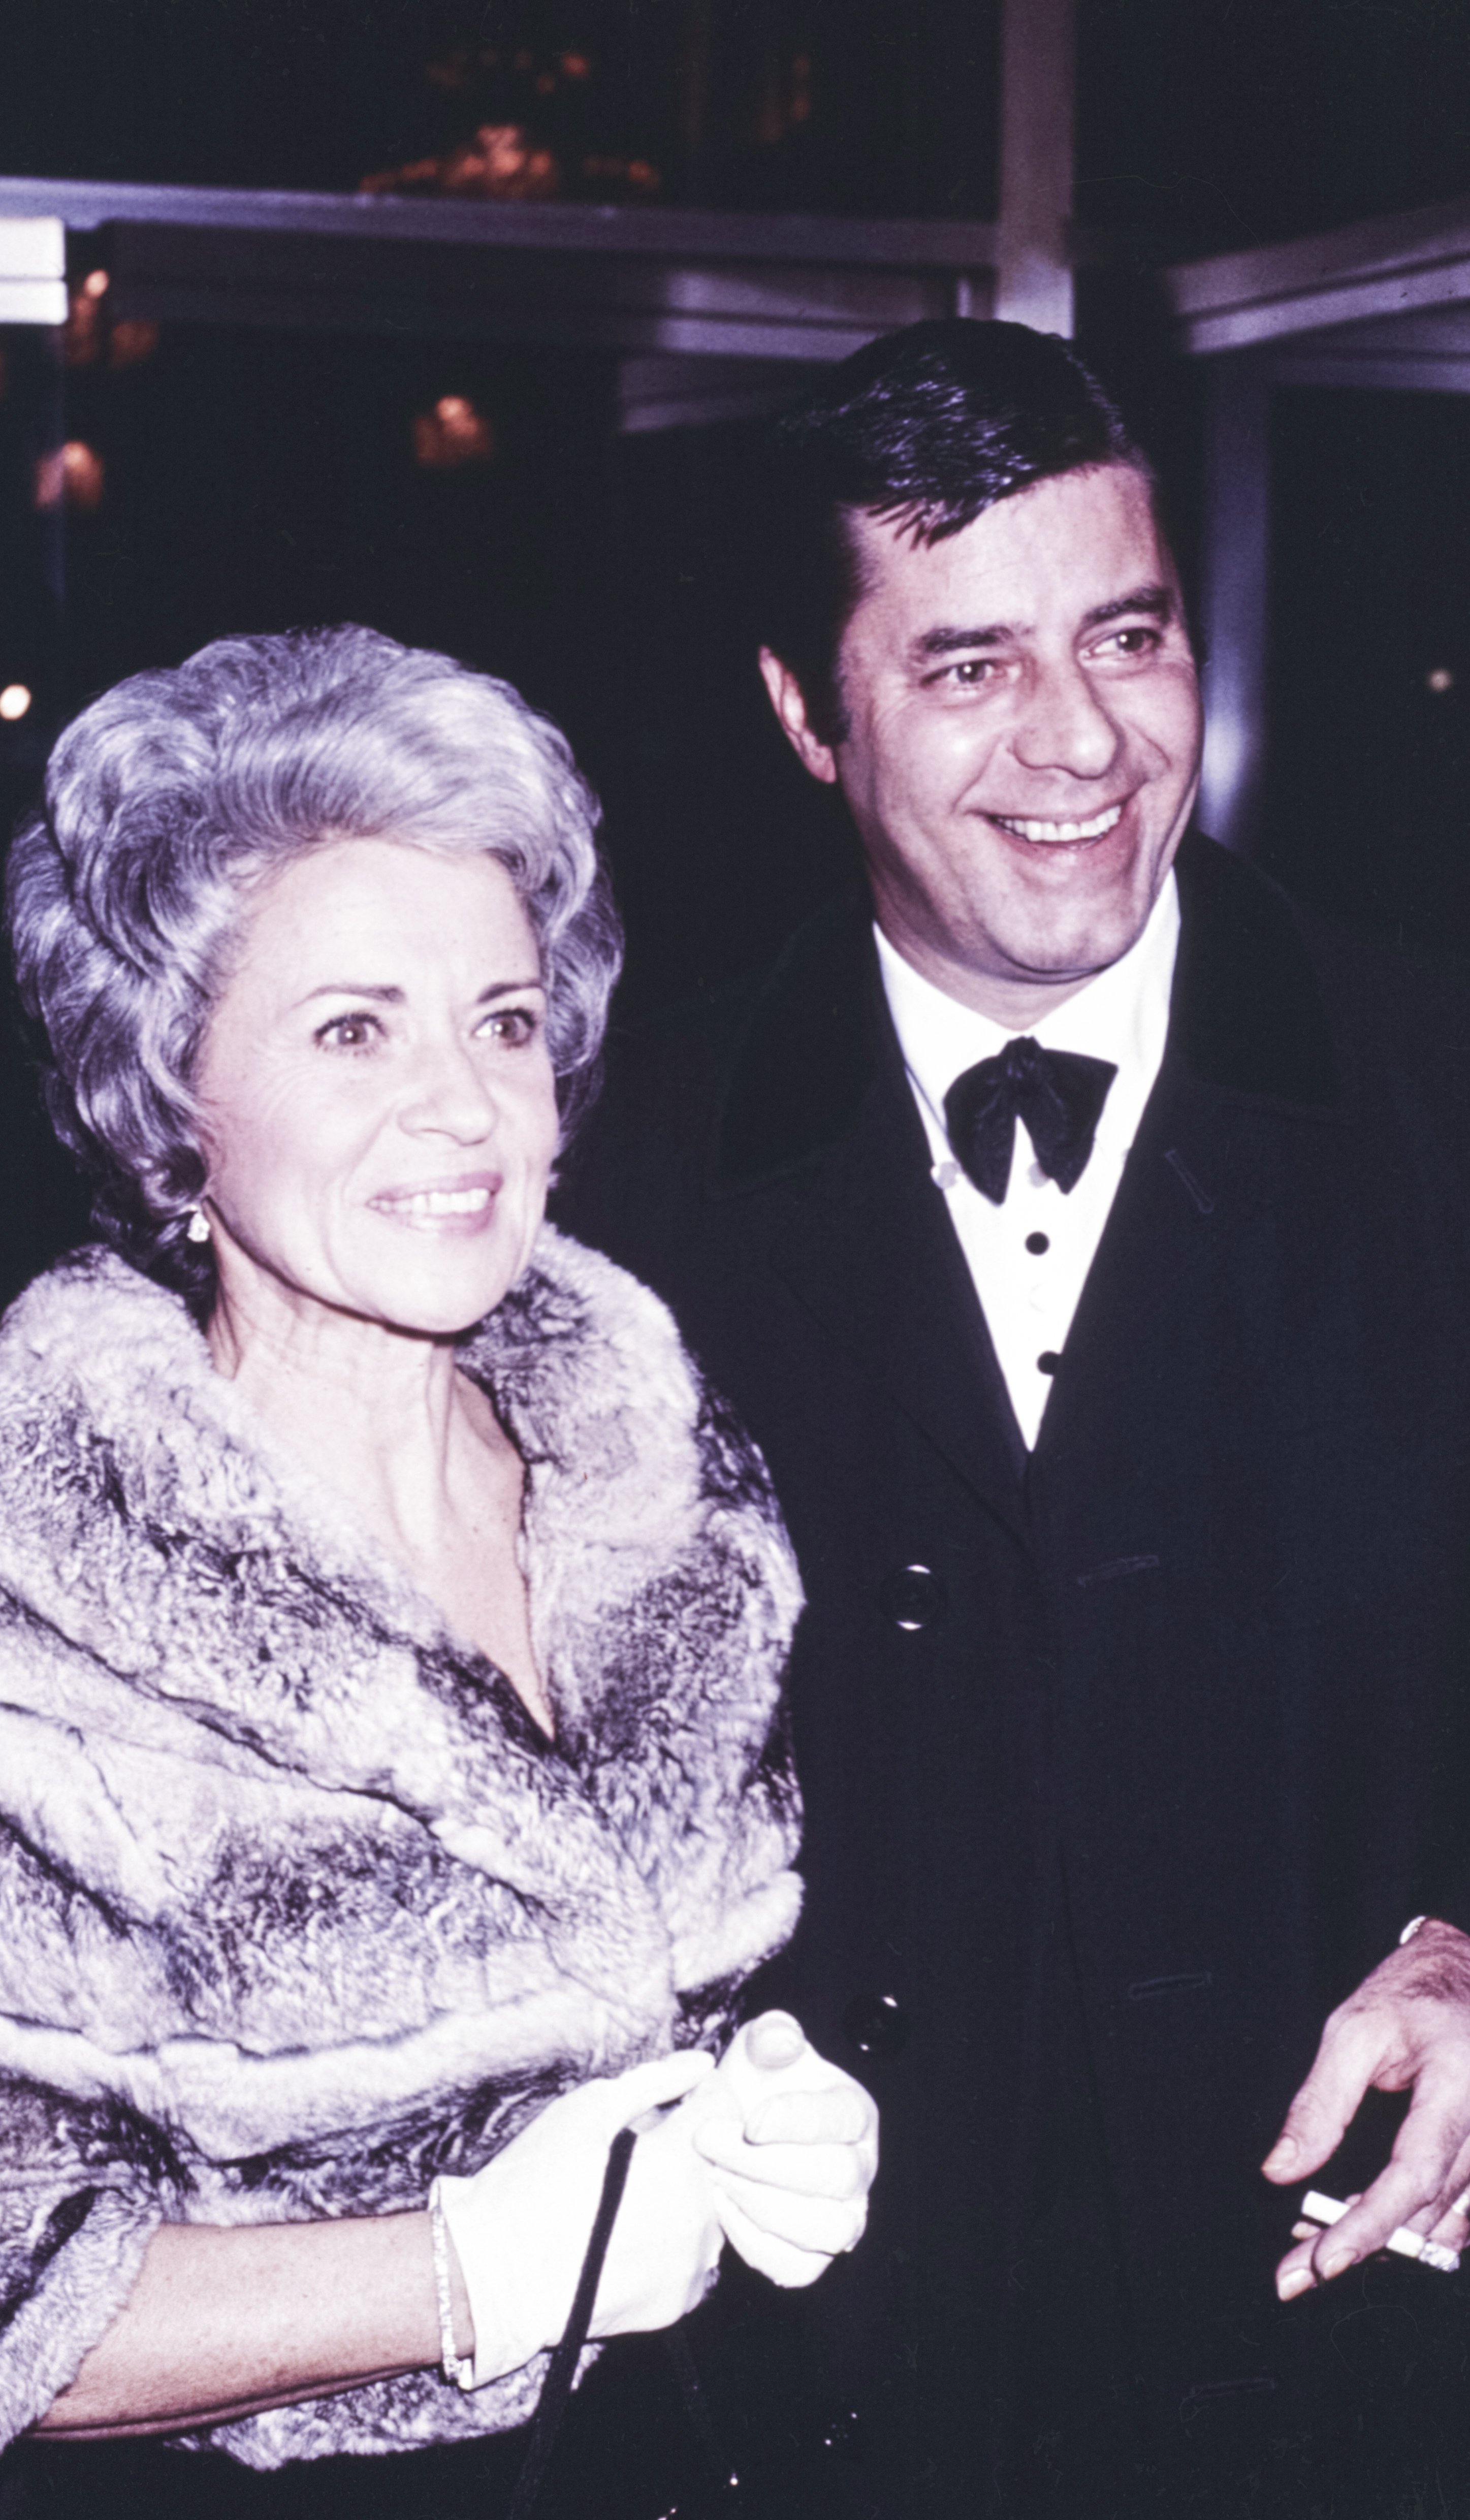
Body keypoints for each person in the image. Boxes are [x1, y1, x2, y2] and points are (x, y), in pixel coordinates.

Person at [558, 318, 1470, 2516]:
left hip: (1370, 2383)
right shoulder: (610, 1177)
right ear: (806, 707)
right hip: (818, 2415)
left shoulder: (1445, 1085)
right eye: (970, 665)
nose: (1085, 743)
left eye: (1128, 636)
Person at [0, 625, 878, 2520]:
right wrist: (465, 2273)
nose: (467, 1105)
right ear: (171, 1096)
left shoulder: (665, 1484)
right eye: (353, 1030)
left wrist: (754, 2111)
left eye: (502, 1019)